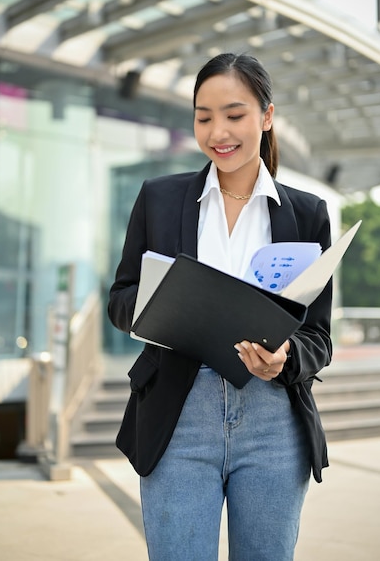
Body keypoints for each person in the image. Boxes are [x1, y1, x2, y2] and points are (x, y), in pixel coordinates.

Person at [108, 53, 333, 561]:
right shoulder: (159, 199)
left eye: (234, 115)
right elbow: (120, 300)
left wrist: (285, 359)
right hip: (178, 414)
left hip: (273, 421)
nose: (218, 132)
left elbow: (318, 338)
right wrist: (164, 303)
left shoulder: (306, 214)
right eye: (203, 116)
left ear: (267, 117)